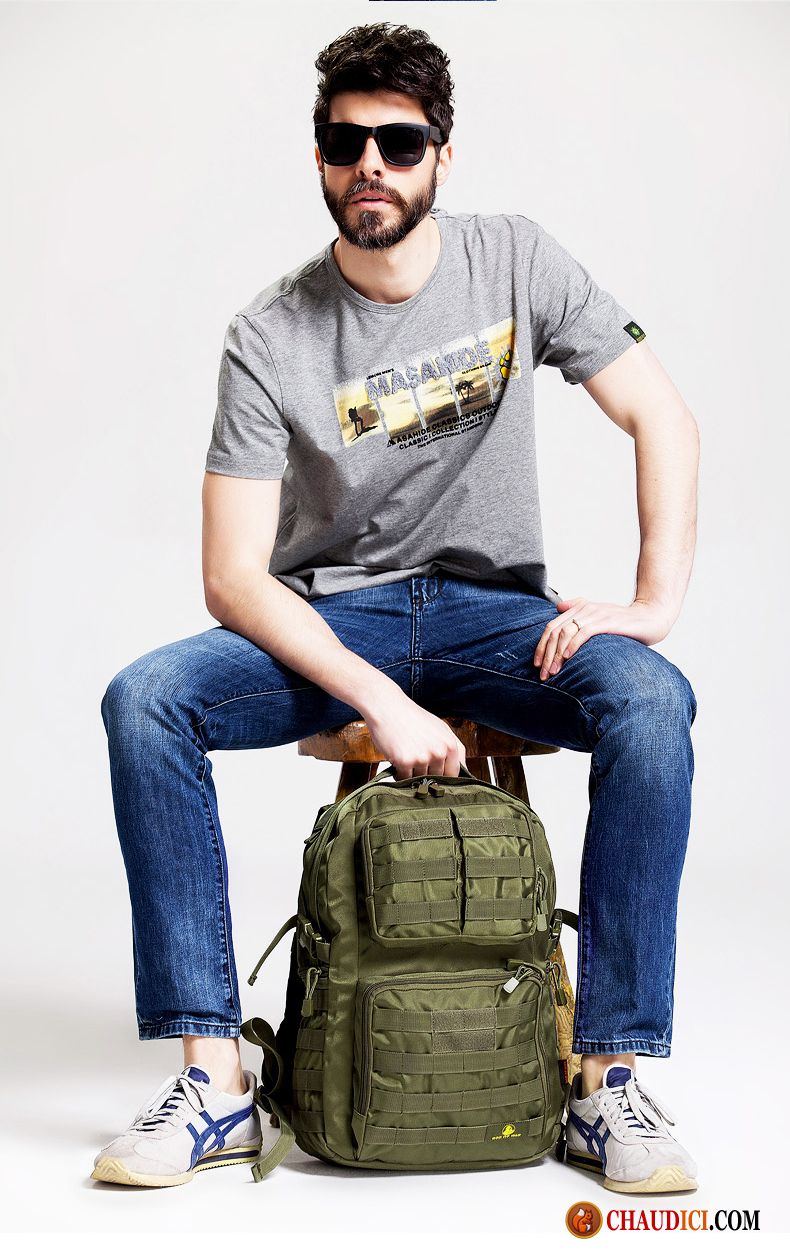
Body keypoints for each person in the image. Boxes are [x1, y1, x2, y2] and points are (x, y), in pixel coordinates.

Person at [94, 21, 700, 1194]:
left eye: (398, 141)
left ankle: (606, 1078)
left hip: (495, 614)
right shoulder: (269, 333)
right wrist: (376, 696)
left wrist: (653, 602)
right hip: (339, 619)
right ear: (320, 157)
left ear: (440, 155)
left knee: (650, 700)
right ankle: (214, 1081)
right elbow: (232, 575)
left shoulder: (515, 258)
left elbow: (661, 414)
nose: (369, 162)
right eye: (345, 142)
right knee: (146, 700)